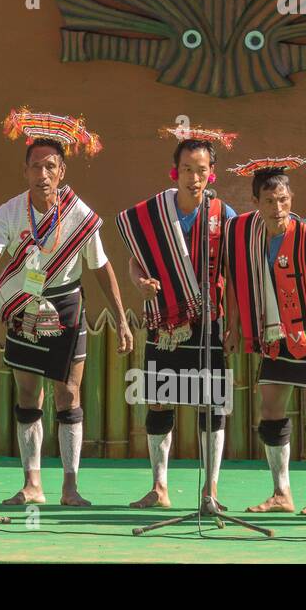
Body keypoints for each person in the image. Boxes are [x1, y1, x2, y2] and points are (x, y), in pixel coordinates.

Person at [0, 109, 132, 507]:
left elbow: (101, 269)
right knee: (29, 396)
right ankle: (32, 484)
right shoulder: (8, 212)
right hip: (25, 307)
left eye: (49, 166)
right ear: (24, 171)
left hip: (66, 306)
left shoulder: (80, 216)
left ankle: (70, 486)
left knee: (68, 395)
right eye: (35, 167)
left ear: (61, 171)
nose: (42, 174)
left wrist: (120, 317)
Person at [116, 123, 237, 511]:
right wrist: (141, 283)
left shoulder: (223, 213)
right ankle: (159, 487)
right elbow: (135, 261)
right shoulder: (153, 212)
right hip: (163, 321)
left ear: (211, 173)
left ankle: (210, 490)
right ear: (175, 171)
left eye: (202, 170)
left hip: (209, 322)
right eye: (187, 169)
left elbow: (233, 273)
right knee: (158, 401)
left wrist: (232, 322)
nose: (195, 177)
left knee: (212, 403)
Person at [221, 157, 306, 515]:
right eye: (269, 201)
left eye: (284, 200)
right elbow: (235, 283)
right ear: (256, 203)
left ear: (291, 198)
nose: (278, 208)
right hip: (270, 334)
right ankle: (281, 492)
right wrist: (234, 327)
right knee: (269, 408)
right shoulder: (243, 235)